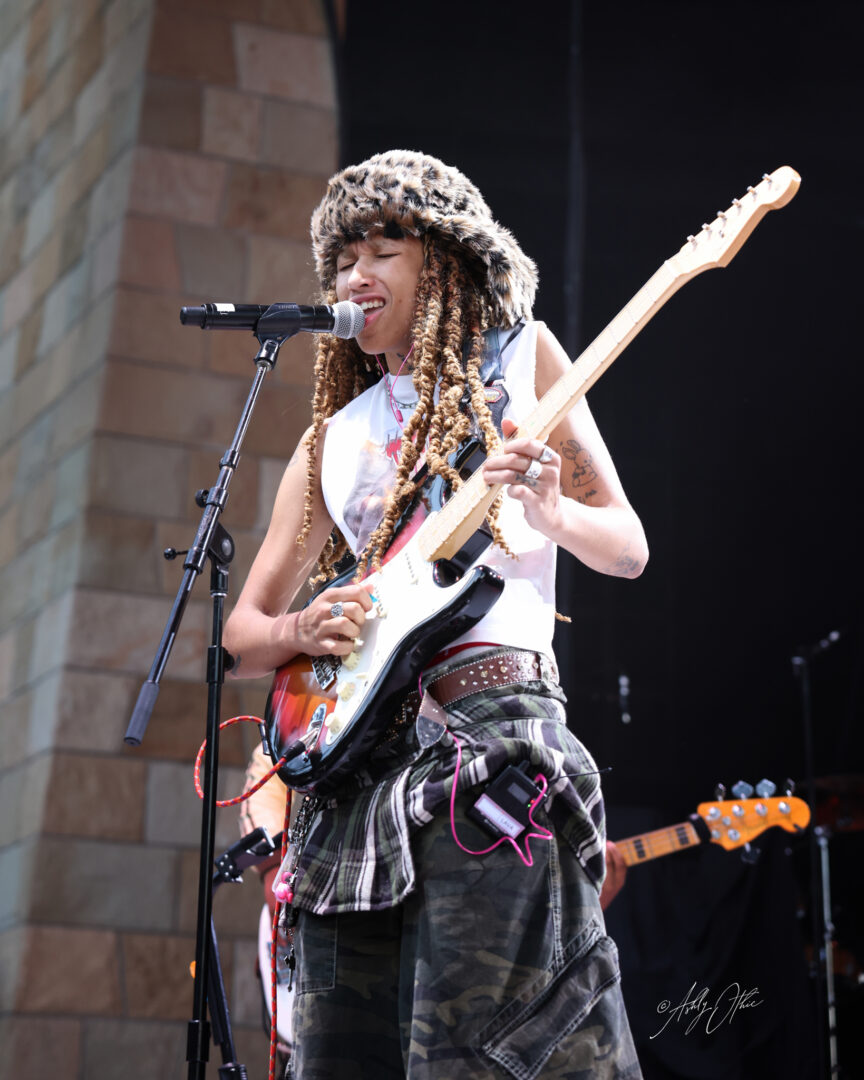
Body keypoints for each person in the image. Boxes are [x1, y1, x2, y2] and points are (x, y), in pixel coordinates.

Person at [224, 149, 647, 1078]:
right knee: (349, 1054)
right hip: (354, 774)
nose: (357, 274)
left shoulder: (524, 360)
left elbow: (627, 548)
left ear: (447, 262)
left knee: (481, 1048)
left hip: (491, 741)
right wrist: (300, 629)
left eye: (385, 250)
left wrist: (550, 511)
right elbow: (242, 634)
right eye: (344, 260)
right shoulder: (332, 438)